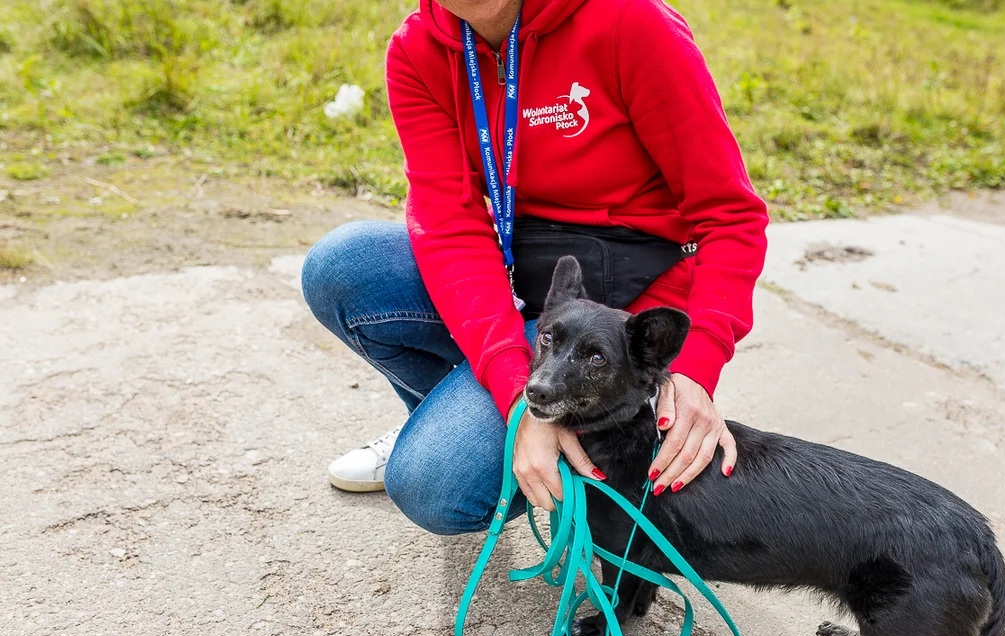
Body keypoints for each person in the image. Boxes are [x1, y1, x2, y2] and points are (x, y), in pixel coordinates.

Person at [301, 0, 768, 534]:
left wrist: (695, 368)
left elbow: (730, 217)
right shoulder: (419, 49)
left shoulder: (629, 22)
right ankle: (448, 421)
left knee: (433, 484)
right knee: (344, 265)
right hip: (522, 272)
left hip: (621, 302)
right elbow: (451, 229)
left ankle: (574, 460)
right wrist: (514, 396)